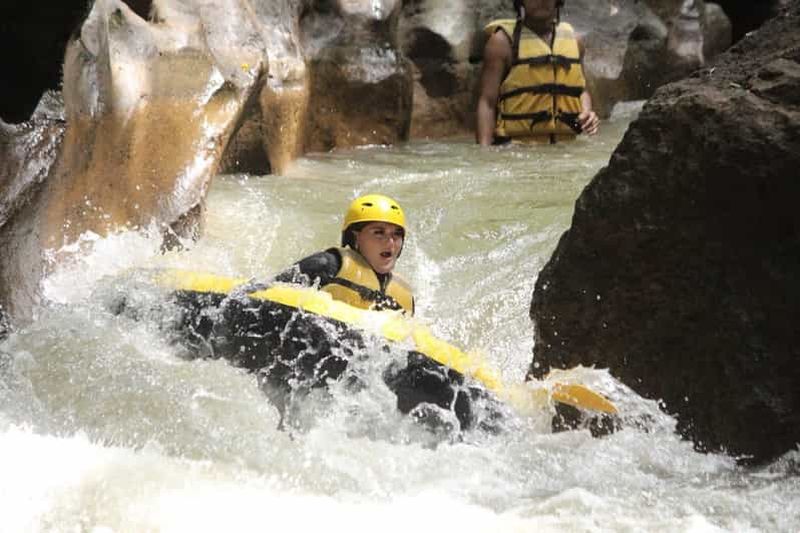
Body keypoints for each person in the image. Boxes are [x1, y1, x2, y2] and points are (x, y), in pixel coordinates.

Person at [476, 0, 600, 146]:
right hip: (515, 150)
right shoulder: (502, 42)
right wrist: (484, 152)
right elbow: (487, 102)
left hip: (567, 150)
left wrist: (587, 112)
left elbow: (581, 90)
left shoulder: (575, 41)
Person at [274, 194, 415, 315]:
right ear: (355, 237)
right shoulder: (328, 265)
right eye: (379, 232)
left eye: (397, 234)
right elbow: (270, 295)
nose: (390, 242)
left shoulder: (406, 297)